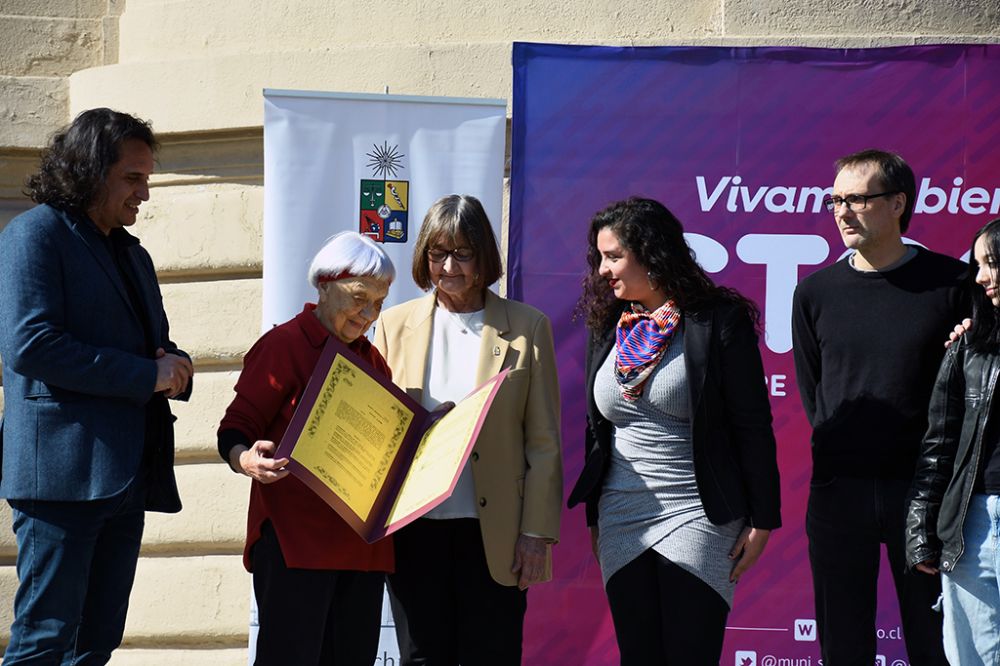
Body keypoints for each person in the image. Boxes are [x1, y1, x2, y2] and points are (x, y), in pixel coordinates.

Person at [0, 108, 194, 665]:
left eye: (147, 180)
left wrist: (175, 366)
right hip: (60, 480)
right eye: (133, 179)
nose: (144, 195)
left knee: (94, 646)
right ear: (90, 170)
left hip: (125, 477)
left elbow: (155, 347)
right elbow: (30, 345)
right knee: (43, 641)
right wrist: (145, 374)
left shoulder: (132, 253)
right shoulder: (33, 235)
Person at [566, 196, 781, 665]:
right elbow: (596, 429)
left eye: (613, 256)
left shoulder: (717, 321)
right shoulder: (610, 325)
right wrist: (594, 518)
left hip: (698, 514)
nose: (603, 270)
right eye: (599, 257)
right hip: (621, 518)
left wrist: (763, 520)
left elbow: (752, 426)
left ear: (652, 252)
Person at [791, 149, 968, 665]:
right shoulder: (815, 292)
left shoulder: (954, 286)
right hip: (838, 491)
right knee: (843, 643)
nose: (843, 211)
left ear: (897, 204)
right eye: (835, 200)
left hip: (926, 493)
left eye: (858, 199)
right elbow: (815, 392)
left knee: (935, 642)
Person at [373, 194, 562, 666]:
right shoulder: (392, 326)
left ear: (484, 256)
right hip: (414, 531)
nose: (449, 265)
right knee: (421, 657)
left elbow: (543, 444)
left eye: (462, 252)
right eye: (438, 253)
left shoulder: (527, 327)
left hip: (495, 534)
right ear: (423, 256)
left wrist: (536, 533)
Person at [217, 231, 395, 665]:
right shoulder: (284, 345)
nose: (368, 313)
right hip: (296, 543)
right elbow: (234, 428)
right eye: (359, 297)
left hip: (360, 549)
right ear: (324, 285)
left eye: (378, 303)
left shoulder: (374, 361)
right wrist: (245, 460)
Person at [906, 217, 1000, 665]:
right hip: (972, 522)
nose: (982, 277)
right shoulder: (969, 346)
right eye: (979, 265)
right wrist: (922, 527)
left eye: (993, 264)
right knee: (972, 657)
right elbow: (939, 444)